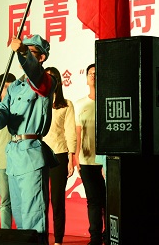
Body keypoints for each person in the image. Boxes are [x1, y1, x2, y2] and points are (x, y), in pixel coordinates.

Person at [0, 34, 57, 245]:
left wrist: (23, 52)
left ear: (41, 58)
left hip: (31, 153)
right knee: (18, 213)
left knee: (34, 214)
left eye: (31, 52)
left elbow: (36, 77)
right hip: (14, 156)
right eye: (24, 51)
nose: (22, 55)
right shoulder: (15, 86)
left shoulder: (46, 81)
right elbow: (3, 110)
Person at [75, 63, 107, 245]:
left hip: (107, 161)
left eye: (96, 73)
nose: (93, 76)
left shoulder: (108, 102)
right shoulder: (80, 104)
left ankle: (110, 235)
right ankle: (95, 237)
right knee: (93, 201)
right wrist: (75, 157)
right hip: (86, 161)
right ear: (86, 78)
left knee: (108, 201)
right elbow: (78, 134)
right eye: (90, 73)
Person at [44, 66, 76, 245]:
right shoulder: (38, 101)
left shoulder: (66, 104)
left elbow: (70, 132)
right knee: (40, 200)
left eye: (52, 77)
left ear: (58, 82)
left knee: (57, 200)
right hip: (38, 154)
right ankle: (40, 237)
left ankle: (58, 240)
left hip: (59, 155)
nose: (49, 80)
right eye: (46, 77)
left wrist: (71, 158)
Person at [0, 72, 17, 229]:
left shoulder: (20, 108)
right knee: (5, 201)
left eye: (11, 87)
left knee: (21, 201)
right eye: (5, 87)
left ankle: (22, 234)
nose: (8, 90)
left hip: (20, 162)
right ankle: (5, 233)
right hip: (2, 162)